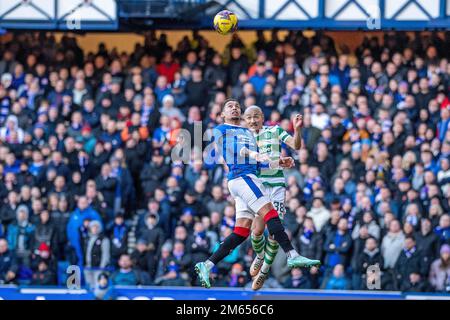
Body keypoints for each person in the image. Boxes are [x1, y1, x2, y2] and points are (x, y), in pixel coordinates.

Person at [194, 99, 320, 289]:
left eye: (237, 105)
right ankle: (292, 255)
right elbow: (234, 149)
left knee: (242, 231)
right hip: (241, 177)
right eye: (229, 106)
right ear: (223, 114)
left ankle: (207, 264)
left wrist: (278, 162)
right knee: (270, 213)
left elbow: (257, 162)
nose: (234, 107)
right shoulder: (221, 129)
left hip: (248, 176)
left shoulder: (246, 132)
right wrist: (254, 155)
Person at [243, 105, 304, 290]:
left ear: (262, 117)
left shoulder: (275, 130)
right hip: (258, 187)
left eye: (256, 116)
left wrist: (297, 129)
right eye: (249, 118)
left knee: (275, 232)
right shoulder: (244, 140)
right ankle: (260, 257)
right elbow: (253, 166)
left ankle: (264, 271)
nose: (253, 120)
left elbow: (296, 145)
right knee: (257, 231)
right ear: (245, 121)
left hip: (276, 186)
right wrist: (278, 162)